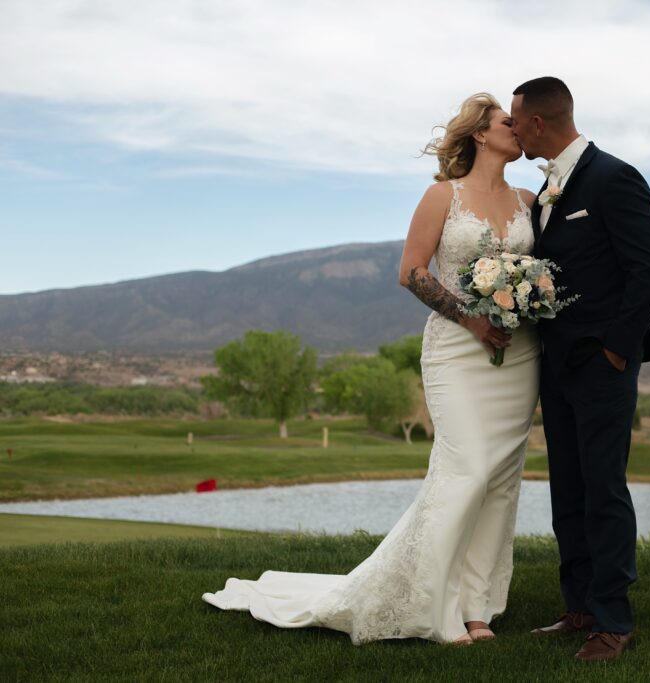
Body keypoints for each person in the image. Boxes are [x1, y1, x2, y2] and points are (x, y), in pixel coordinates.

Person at [202, 93, 540, 646]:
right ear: (481, 133)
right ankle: (436, 608)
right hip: (458, 351)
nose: (518, 128)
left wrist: (525, 303)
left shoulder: (529, 199)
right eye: (508, 121)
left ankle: (478, 607)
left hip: (519, 354)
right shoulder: (442, 196)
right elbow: (412, 272)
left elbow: (537, 271)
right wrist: (473, 321)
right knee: (467, 471)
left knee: (500, 483)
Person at [510, 76, 650, 663]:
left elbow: (649, 269)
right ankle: (577, 606)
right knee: (568, 490)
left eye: (516, 118)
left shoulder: (614, 178)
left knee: (603, 490)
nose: (512, 126)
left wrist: (616, 351)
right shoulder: (548, 187)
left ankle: (614, 621)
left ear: (538, 124)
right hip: (557, 366)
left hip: (603, 365)